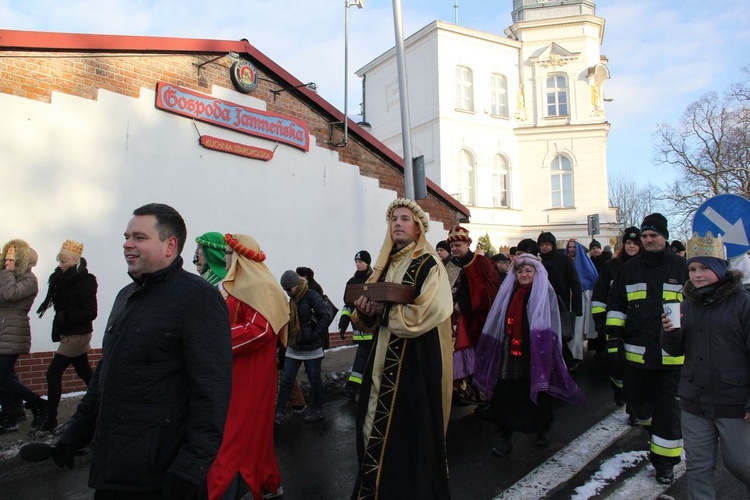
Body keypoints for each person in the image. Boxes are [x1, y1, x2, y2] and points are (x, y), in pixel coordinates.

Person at [55, 203, 233, 499]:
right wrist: (76, 431)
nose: (127, 244)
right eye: (127, 236)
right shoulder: (126, 296)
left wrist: (192, 464)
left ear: (170, 245)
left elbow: (212, 390)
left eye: (139, 237)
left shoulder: (198, 298)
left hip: (162, 474)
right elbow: (106, 374)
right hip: (114, 467)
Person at [350, 198, 453, 499]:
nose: (397, 223)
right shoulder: (385, 265)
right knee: (372, 425)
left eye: (405, 218)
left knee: (411, 432)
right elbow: (369, 317)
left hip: (415, 362)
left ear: (418, 227)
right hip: (381, 358)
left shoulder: (429, 264)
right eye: (394, 218)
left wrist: (384, 312)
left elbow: (430, 311)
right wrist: (367, 309)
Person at [661, 232, 750, 499]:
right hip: (694, 401)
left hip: (734, 402)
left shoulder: (743, 303)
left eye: (704, 268)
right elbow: (675, 349)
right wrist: (670, 333)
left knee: (741, 464)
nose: (697, 275)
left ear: (721, 269)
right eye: (692, 269)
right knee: (698, 469)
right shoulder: (686, 305)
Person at [606, 213, 688, 485]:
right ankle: (658, 435)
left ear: (664, 236)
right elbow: (616, 307)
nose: (649, 240)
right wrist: (614, 341)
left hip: (672, 361)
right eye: (645, 236)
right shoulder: (628, 270)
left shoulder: (683, 268)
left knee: (667, 411)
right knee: (639, 407)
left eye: (654, 235)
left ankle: (665, 464)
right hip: (635, 357)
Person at [474, 254, 583, 456]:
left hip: (534, 351)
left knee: (536, 392)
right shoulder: (509, 294)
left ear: (536, 273)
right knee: (505, 393)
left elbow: (549, 323)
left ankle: (541, 428)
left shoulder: (542, 294)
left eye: (528, 271)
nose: (523, 275)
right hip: (510, 353)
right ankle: (505, 439)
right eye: (520, 271)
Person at [207, 234, 288, 500]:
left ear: (242, 256)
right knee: (246, 434)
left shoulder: (260, 286)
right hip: (235, 371)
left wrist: (213, 338)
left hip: (251, 374)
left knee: (237, 434)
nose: (226, 257)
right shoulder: (236, 285)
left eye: (230, 252)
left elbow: (261, 330)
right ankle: (264, 482)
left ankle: (226, 489)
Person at [35, 240, 97, 433]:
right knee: (84, 371)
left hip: (78, 334)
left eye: (64, 261)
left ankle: (50, 418)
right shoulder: (58, 279)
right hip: (66, 332)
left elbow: (91, 312)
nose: (60, 265)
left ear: (75, 261)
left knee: (53, 373)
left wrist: (66, 317)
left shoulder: (85, 280)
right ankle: (103, 400)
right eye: (59, 260)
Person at [591, 227, 642, 422]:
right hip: (614, 326)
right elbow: (599, 296)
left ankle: (633, 409)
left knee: (635, 370)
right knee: (616, 365)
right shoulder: (611, 266)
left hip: (638, 327)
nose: (631, 246)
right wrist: (600, 322)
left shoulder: (644, 266)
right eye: (628, 243)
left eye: (635, 243)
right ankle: (620, 392)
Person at [447, 226, 500, 404]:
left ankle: (483, 395)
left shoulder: (482, 263)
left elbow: (487, 290)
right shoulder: (450, 265)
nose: (455, 249)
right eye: (452, 246)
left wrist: (464, 305)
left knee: (480, 356)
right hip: (455, 320)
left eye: (458, 245)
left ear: (467, 244)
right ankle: (461, 392)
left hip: (478, 319)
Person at [0, 239, 47, 434]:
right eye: (6, 258)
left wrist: (8, 273)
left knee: (1, 377)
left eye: (12, 259)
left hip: (13, 331)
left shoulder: (29, 279)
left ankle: (37, 404)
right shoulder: (7, 276)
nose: (7, 262)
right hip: (4, 330)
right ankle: (15, 412)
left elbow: (10, 294)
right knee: (6, 375)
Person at [275, 270, 330, 424]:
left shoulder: (311, 295)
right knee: (286, 380)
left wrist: (315, 334)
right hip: (294, 346)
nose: (288, 292)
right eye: (285, 290)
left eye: (289, 289)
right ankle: (278, 412)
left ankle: (318, 410)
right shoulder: (292, 301)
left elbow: (325, 315)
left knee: (314, 380)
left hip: (312, 347)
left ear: (297, 285)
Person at [535, 232, 582, 371]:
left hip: (561, 302)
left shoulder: (563, 259)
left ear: (553, 245)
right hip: (541, 302)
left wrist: (577, 307)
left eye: (547, 244)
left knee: (559, 334)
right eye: (542, 245)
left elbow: (574, 282)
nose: (544, 248)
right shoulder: (538, 261)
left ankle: (567, 362)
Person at [338, 250, 374, 401]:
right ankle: (355, 388)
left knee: (365, 358)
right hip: (358, 328)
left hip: (373, 327)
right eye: (356, 262)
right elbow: (347, 306)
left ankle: (357, 388)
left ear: (368, 263)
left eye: (361, 262)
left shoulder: (374, 280)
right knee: (362, 358)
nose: (358, 264)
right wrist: (342, 324)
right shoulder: (351, 283)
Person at [565, 238, 599, 368]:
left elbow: (590, 282)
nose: (572, 249)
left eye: (574, 247)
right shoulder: (564, 262)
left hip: (580, 302)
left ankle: (575, 356)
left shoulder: (585, 264)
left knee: (577, 330)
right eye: (570, 247)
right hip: (566, 301)